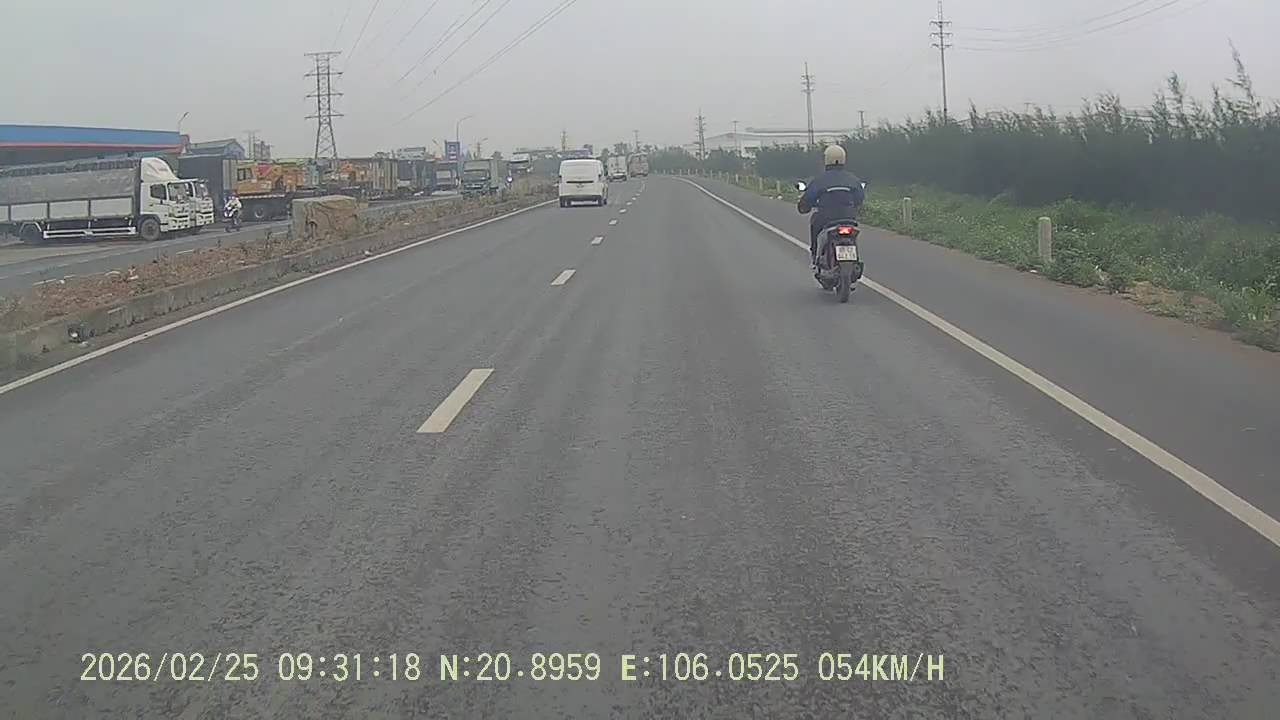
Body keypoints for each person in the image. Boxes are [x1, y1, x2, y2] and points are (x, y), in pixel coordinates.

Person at [798, 145, 865, 268]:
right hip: (849, 218)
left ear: (826, 159)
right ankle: (854, 259)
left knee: (814, 222)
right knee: (853, 234)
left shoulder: (820, 180)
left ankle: (815, 255)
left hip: (826, 218)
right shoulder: (853, 179)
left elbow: (808, 198)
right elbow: (859, 198)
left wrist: (804, 207)